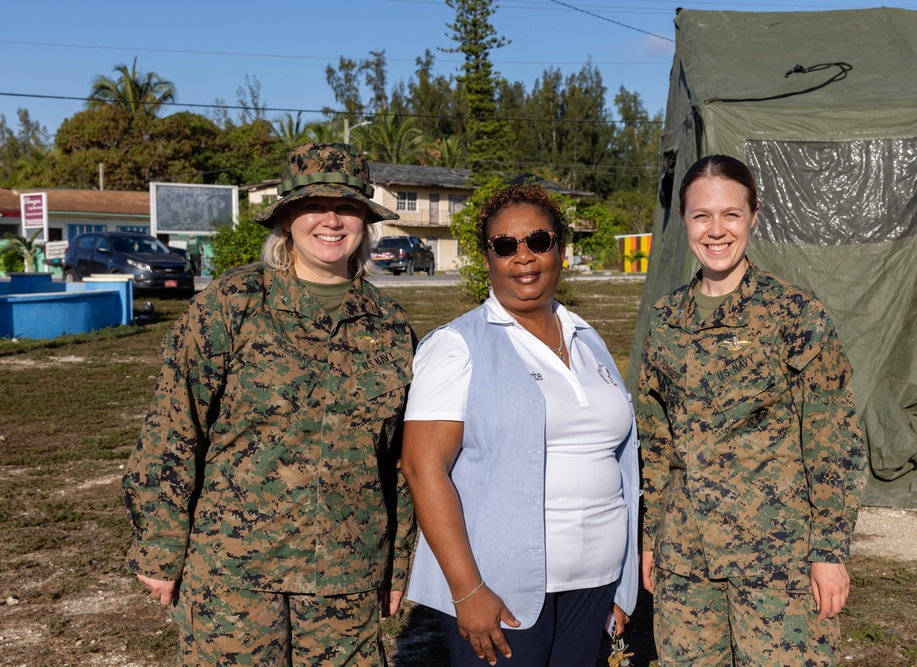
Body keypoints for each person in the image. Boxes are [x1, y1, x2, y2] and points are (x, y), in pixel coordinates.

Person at [122, 142, 416, 667]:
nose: (331, 219)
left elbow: (400, 461)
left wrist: (395, 566)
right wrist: (160, 549)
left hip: (346, 575)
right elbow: (173, 427)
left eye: (347, 206)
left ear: (365, 221)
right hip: (233, 575)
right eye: (313, 205)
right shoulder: (232, 304)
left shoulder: (389, 327)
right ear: (285, 219)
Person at [637, 154, 868, 666]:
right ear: (683, 221)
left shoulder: (795, 314)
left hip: (778, 559)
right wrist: (650, 538)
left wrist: (830, 550)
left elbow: (834, 439)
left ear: (754, 216)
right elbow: (655, 442)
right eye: (702, 215)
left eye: (731, 214)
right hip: (686, 560)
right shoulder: (664, 319)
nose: (716, 230)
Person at [401, 183, 640, 667]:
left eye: (538, 240)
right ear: (488, 258)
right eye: (505, 246)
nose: (524, 257)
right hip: (503, 592)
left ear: (561, 249)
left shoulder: (587, 338)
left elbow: (618, 462)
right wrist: (468, 592)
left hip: (594, 583)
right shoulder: (456, 346)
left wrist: (624, 582)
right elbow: (423, 467)